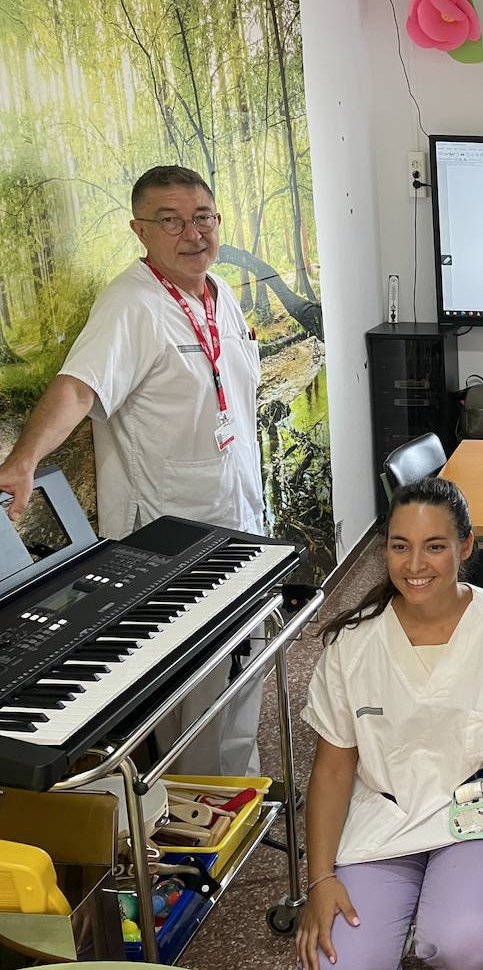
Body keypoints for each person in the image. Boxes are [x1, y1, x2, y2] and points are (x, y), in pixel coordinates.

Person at [0, 164, 265, 776]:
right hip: (170, 534)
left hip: (239, 517)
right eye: (169, 221)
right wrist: (23, 460)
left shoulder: (220, 292)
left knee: (246, 663)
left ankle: (243, 790)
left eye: (202, 217)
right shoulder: (132, 304)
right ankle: (195, 815)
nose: (191, 233)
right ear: (140, 230)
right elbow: (79, 388)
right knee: (192, 691)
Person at [297, 477, 483, 970]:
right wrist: (319, 880)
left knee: (467, 941)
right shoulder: (353, 644)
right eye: (399, 547)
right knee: (334, 961)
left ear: (465, 545)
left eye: (434, 547)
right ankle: (408, 920)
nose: (414, 566)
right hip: (382, 819)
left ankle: (451, 922)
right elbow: (333, 770)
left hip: (474, 819)